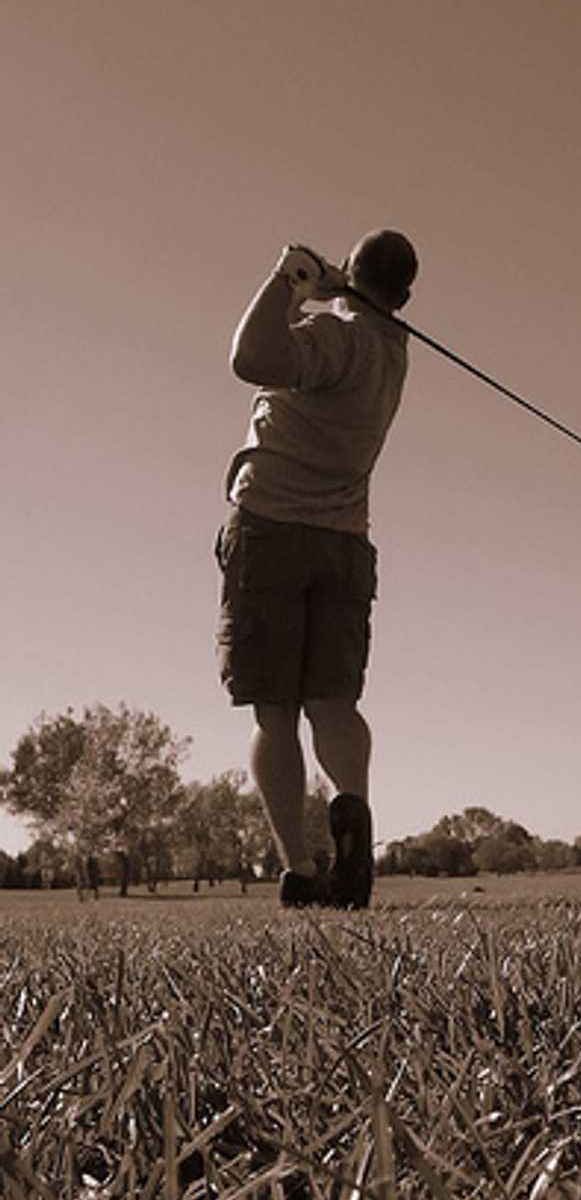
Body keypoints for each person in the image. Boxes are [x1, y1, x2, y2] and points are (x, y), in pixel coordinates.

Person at [215, 231, 418, 908]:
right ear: (404, 296)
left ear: (352, 273)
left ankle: (301, 869)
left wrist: (289, 278)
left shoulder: (338, 338)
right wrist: (330, 291)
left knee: (274, 712)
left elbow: (249, 356)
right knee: (334, 704)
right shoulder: (391, 350)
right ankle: (352, 812)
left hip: (272, 531)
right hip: (344, 544)